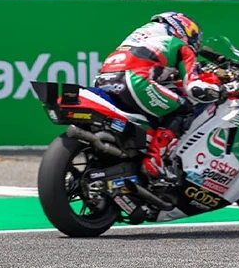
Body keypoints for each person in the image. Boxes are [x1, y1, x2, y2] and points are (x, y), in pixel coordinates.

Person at [93, 12, 222, 183]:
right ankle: (155, 160)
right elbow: (193, 87)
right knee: (184, 108)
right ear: (183, 30)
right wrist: (217, 90)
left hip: (103, 81)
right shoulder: (179, 45)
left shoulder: (135, 42)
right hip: (134, 81)